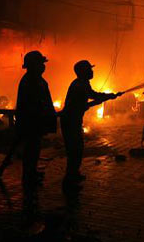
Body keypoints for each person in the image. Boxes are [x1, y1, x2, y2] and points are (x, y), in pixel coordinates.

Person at [61, 60, 122, 188]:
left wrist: (108, 97)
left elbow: (92, 97)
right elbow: (90, 98)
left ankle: (73, 174)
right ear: (83, 72)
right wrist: (107, 97)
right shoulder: (79, 85)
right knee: (74, 149)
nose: (92, 71)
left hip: (73, 119)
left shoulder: (83, 83)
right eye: (89, 69)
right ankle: (69, 179)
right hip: (70, 120)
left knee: (77, 148)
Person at [15, 50, 56, 189]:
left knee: (35, 148)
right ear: (33, 65)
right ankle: (28, 176)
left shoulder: (38, 80)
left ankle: (31, 172)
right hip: (31, 122)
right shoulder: (29, 82)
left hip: (36, 122)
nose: (43, 66)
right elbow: (32, 105)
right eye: (40, 63)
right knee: (31, 149)